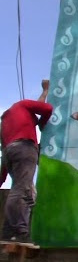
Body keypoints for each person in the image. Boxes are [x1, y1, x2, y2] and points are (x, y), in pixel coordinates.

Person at [0, 79, 52, 248]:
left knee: (29, 193)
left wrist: (45, 91)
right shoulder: (22, 105)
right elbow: (46, 109)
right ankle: (18, 231)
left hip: (12, 152)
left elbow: (5, 159)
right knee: (21, 189)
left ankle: (11, 231)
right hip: (25, 148)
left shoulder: (6, 124)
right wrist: (43, 124)